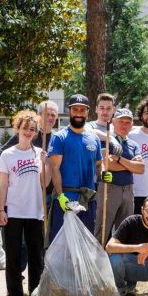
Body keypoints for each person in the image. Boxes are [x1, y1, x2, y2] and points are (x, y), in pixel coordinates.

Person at [0, 111, 50, 296]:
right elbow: (3, 185)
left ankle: (35, 291)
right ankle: (14, 292)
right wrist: (1, 209)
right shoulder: (7, 155)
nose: (28, 132)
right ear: (17, 128)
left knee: (36, 255)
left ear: (36, 133)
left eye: (32, 129)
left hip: (35, 211)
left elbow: (45, 183)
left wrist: (46, 164)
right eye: (25, 128)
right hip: (13, 210)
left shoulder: (39, 154)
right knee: (12, 253)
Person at [48, 94, 103, 242]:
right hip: (66, 199)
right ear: (69, 111)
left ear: (87, 112)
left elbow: (98, 165)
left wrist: (103, 175)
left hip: (88, 200)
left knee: (86, 243)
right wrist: (60, 195)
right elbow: (55, 168)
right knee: (62, 244)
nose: (78, 113)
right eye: (75, 109)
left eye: (82, 109)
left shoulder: (94, 139)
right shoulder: (60, 137)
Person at [94, 108, 144, 245]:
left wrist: (120, 160)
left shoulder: (133, 145)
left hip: (128, 190)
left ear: (132, 125)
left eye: (128, 122)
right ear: (113, 122)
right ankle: (98, 264)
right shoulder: (105, 141)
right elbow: (108, 165)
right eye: (121, 121)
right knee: (102, 230)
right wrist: (131, 165)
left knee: (125, 231)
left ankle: (119, 264)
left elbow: (140, 168)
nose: (124, 125)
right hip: (109, 189)